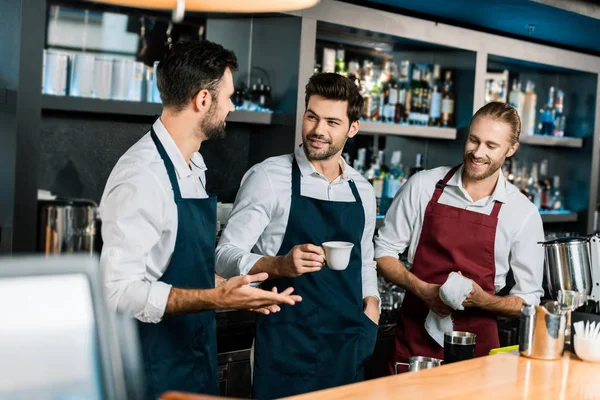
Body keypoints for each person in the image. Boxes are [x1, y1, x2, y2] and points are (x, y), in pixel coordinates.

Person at [99, 40, 301, 399]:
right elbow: (117, 291)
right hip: (153, 367)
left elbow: (176, 267)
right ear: (203, 100)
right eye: (229, 96)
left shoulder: (193, 165)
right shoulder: (142, 176)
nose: (232, 106)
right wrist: (216, 298)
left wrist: (232, 289)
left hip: (194, 354)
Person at [216, 73, 380, 399]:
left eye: (333, 122)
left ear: (353, 128)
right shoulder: (269, 177)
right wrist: (278, 265)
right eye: (312, 117)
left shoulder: (362, 189)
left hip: (348, 343)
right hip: (287, 346)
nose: (319, 130)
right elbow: (223, 254)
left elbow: (365, 259)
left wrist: (372, 306)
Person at [374, 101, 544, 371]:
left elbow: (529, 301)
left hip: (480, 350)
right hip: (415, 343)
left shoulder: (522, 212)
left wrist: (482, 300)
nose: (478, 153)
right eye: (474, 140)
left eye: (491, 145)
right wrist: (422, 290)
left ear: (512, 149)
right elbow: (383, 252)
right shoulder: (424, 186)